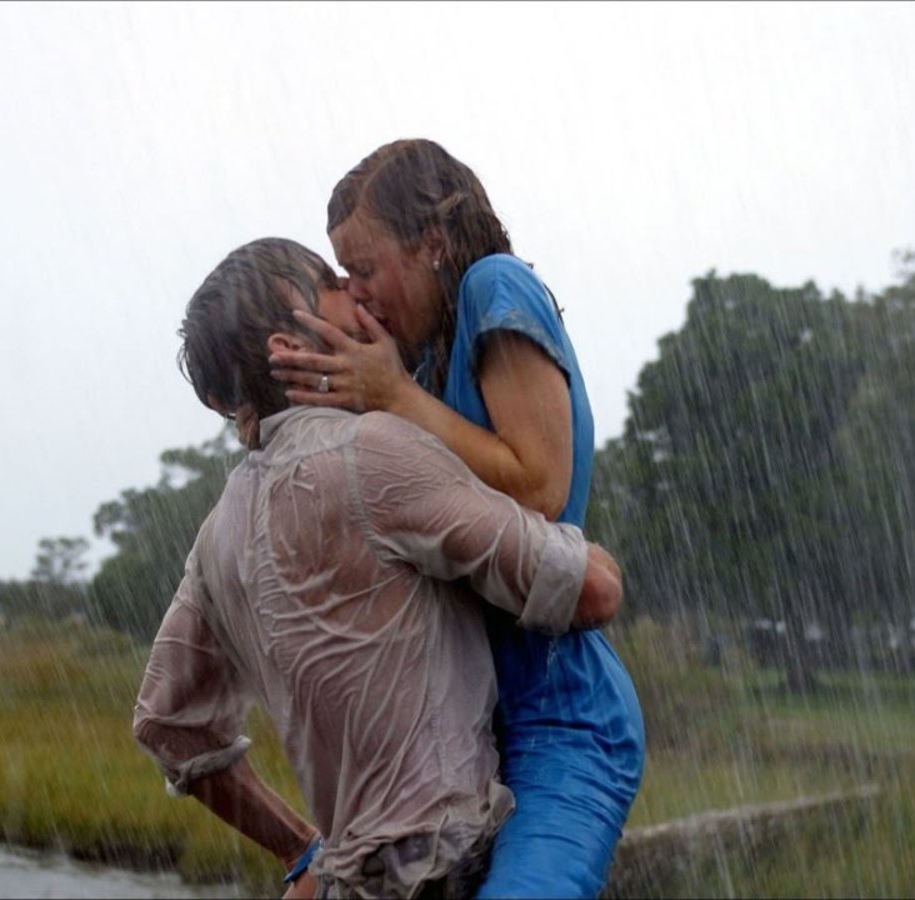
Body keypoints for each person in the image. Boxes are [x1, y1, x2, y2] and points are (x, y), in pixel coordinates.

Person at [133, 237, 628, 899]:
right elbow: (590, 592)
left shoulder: (219, 532)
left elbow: (167, 726)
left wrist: (303, 851)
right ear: (290, 345)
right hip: (450, 869)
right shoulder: (374, 453)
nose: (354, 290)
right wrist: (591, 555)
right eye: (330, 282)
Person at [269, 139, 646, 898]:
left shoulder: (492, 286)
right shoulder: (420, 362)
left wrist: (394, 398)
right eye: (344, 277)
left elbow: (539, 487)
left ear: (432, 243)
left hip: (558, 722)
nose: (359, 294)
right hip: (457, 746)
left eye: (365, 269)